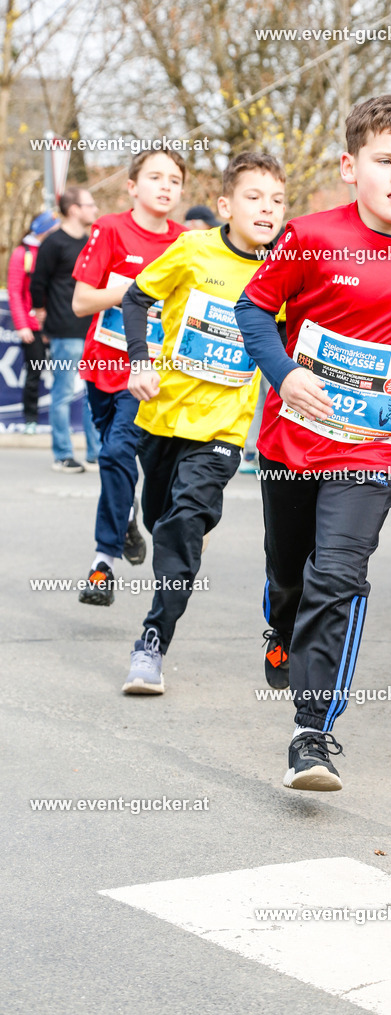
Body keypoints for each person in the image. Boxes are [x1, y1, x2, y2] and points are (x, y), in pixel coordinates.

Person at [235, 93, 391, 792]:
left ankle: (312, 734)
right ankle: (280, 628)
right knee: (290, 574)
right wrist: (283, 374)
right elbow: (252, 308)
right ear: (349, 166)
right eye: (384, 160)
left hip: (369, 448)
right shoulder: (307, 236)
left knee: (337, 575)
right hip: (291, 438)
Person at [120, 151, 286, 694]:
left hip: (221, 431)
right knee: (159, 518)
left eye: (277, 200)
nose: (267, 209)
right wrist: (141, 361)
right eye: (254, 197)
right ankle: (175, 532)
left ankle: (152, 643)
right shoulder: (193, 249)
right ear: (225, 205)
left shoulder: (282, 271)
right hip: (163, 415)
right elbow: (136, 297)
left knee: (182, 529)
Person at [72, 148, 185, 605]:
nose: (165, 186)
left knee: (118, 451)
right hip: (103, 368)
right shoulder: (111, 229)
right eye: (155, 177)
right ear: (132, 186)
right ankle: (127, 517)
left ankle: (104, 562)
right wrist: (129, 294)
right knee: (114, 460)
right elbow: (81, 302)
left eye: (174, 179)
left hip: (149, 375)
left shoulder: (186, 243)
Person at [30, 186, 101, 472]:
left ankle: (95, 453)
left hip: (92, 330)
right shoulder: (53, 243)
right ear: (74, 209)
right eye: (90, 204)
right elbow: (38, 283)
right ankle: (63, 454)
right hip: (63, 331)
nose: (95, 209)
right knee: (61, 393)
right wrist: (42, 316)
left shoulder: (91, 242)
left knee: (93, 394)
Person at [7, 211, 60, 433]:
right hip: (32, 326)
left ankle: (59, 423)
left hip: (57, 324)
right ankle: (30, 419)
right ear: (45, 230)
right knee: (33, 372)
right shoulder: (23, 253)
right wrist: (22, 325)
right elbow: (15, 292)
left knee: (62, 372)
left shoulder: (55, 250)